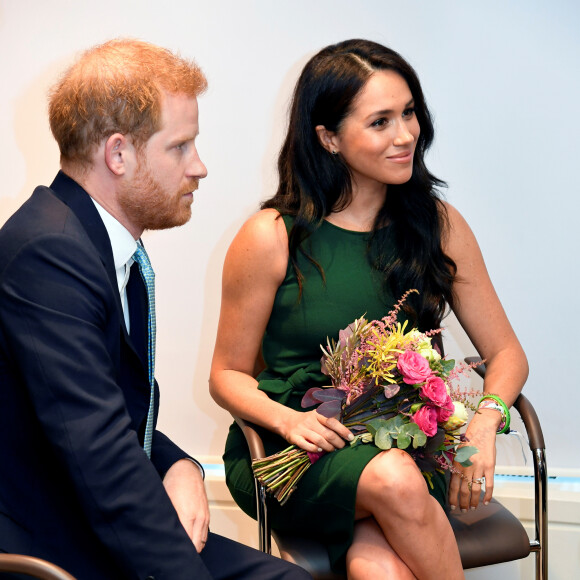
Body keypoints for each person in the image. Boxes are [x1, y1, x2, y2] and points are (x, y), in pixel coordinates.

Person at [209, 39, 528, 579]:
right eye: (381, 121)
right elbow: (227, 375)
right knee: (393, 481)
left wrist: (483, 424)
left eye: (409, 113)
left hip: (405, 443)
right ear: (328, 137)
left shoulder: (438, 226)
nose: (406, 135)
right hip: (296, 451)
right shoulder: (270, 236)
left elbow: (507, 353)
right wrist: (289, 421)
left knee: (379, 568)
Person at [0, 39, 311, 580]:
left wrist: (178, 464)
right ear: (118, 154)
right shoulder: (48, 255)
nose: (200, 167)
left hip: (96, 517)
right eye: (180, 147)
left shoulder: (104, 243)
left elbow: (109, 413)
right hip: (57, 541)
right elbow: (97, 455)